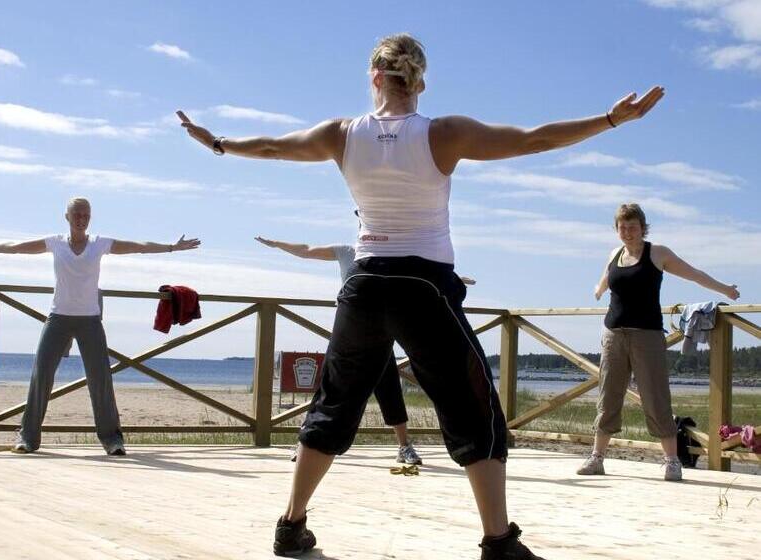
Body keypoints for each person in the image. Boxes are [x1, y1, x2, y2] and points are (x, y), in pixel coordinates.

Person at [179, 32, 664, 560]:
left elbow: (273, 147)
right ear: (420, 82)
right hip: (423, 286)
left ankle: (290, 526)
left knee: (333, 405)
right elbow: (534, 140)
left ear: (374, 77)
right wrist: (610, 120)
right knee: (475, 408)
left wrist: (218, 143)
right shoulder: (442, 133)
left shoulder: (341, 134)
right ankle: (499, 541)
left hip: (363, 284)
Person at [0, 197, 200, 456]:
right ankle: (27, 438)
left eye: (86, 215)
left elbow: (137, 247)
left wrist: (171, 247)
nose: (81, 219)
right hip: (58, 319)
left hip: (90, 321)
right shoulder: (55, 243)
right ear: (67, 216)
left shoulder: (99, 244)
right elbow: (17, 247)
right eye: (77, 214)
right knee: (41, 375)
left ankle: (112, 440)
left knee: (100, 379)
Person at [256, 235, 474, 465]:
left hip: (383, 333)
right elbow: (307, 248)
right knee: (329, 391)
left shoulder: (391, 256)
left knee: (389, 389)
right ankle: (306, 445)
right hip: (350, 333)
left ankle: (404, 447)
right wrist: (277, 244)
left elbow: (416, 277)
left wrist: (454, 279)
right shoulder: (346, 251)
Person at [577, 203, 739, 481]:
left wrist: (725, 289)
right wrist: (597, 290)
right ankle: (597, 458)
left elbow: (694, 274)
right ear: (617, 229)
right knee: (608, 396)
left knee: (656, 397)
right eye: (622, 227)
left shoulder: (657, 253)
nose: (627, 232)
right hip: (613, 334)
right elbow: (605, 280)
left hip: (647, 335)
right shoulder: (615, 254)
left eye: (632, 227)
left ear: (643, 227)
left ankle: (672, 461)